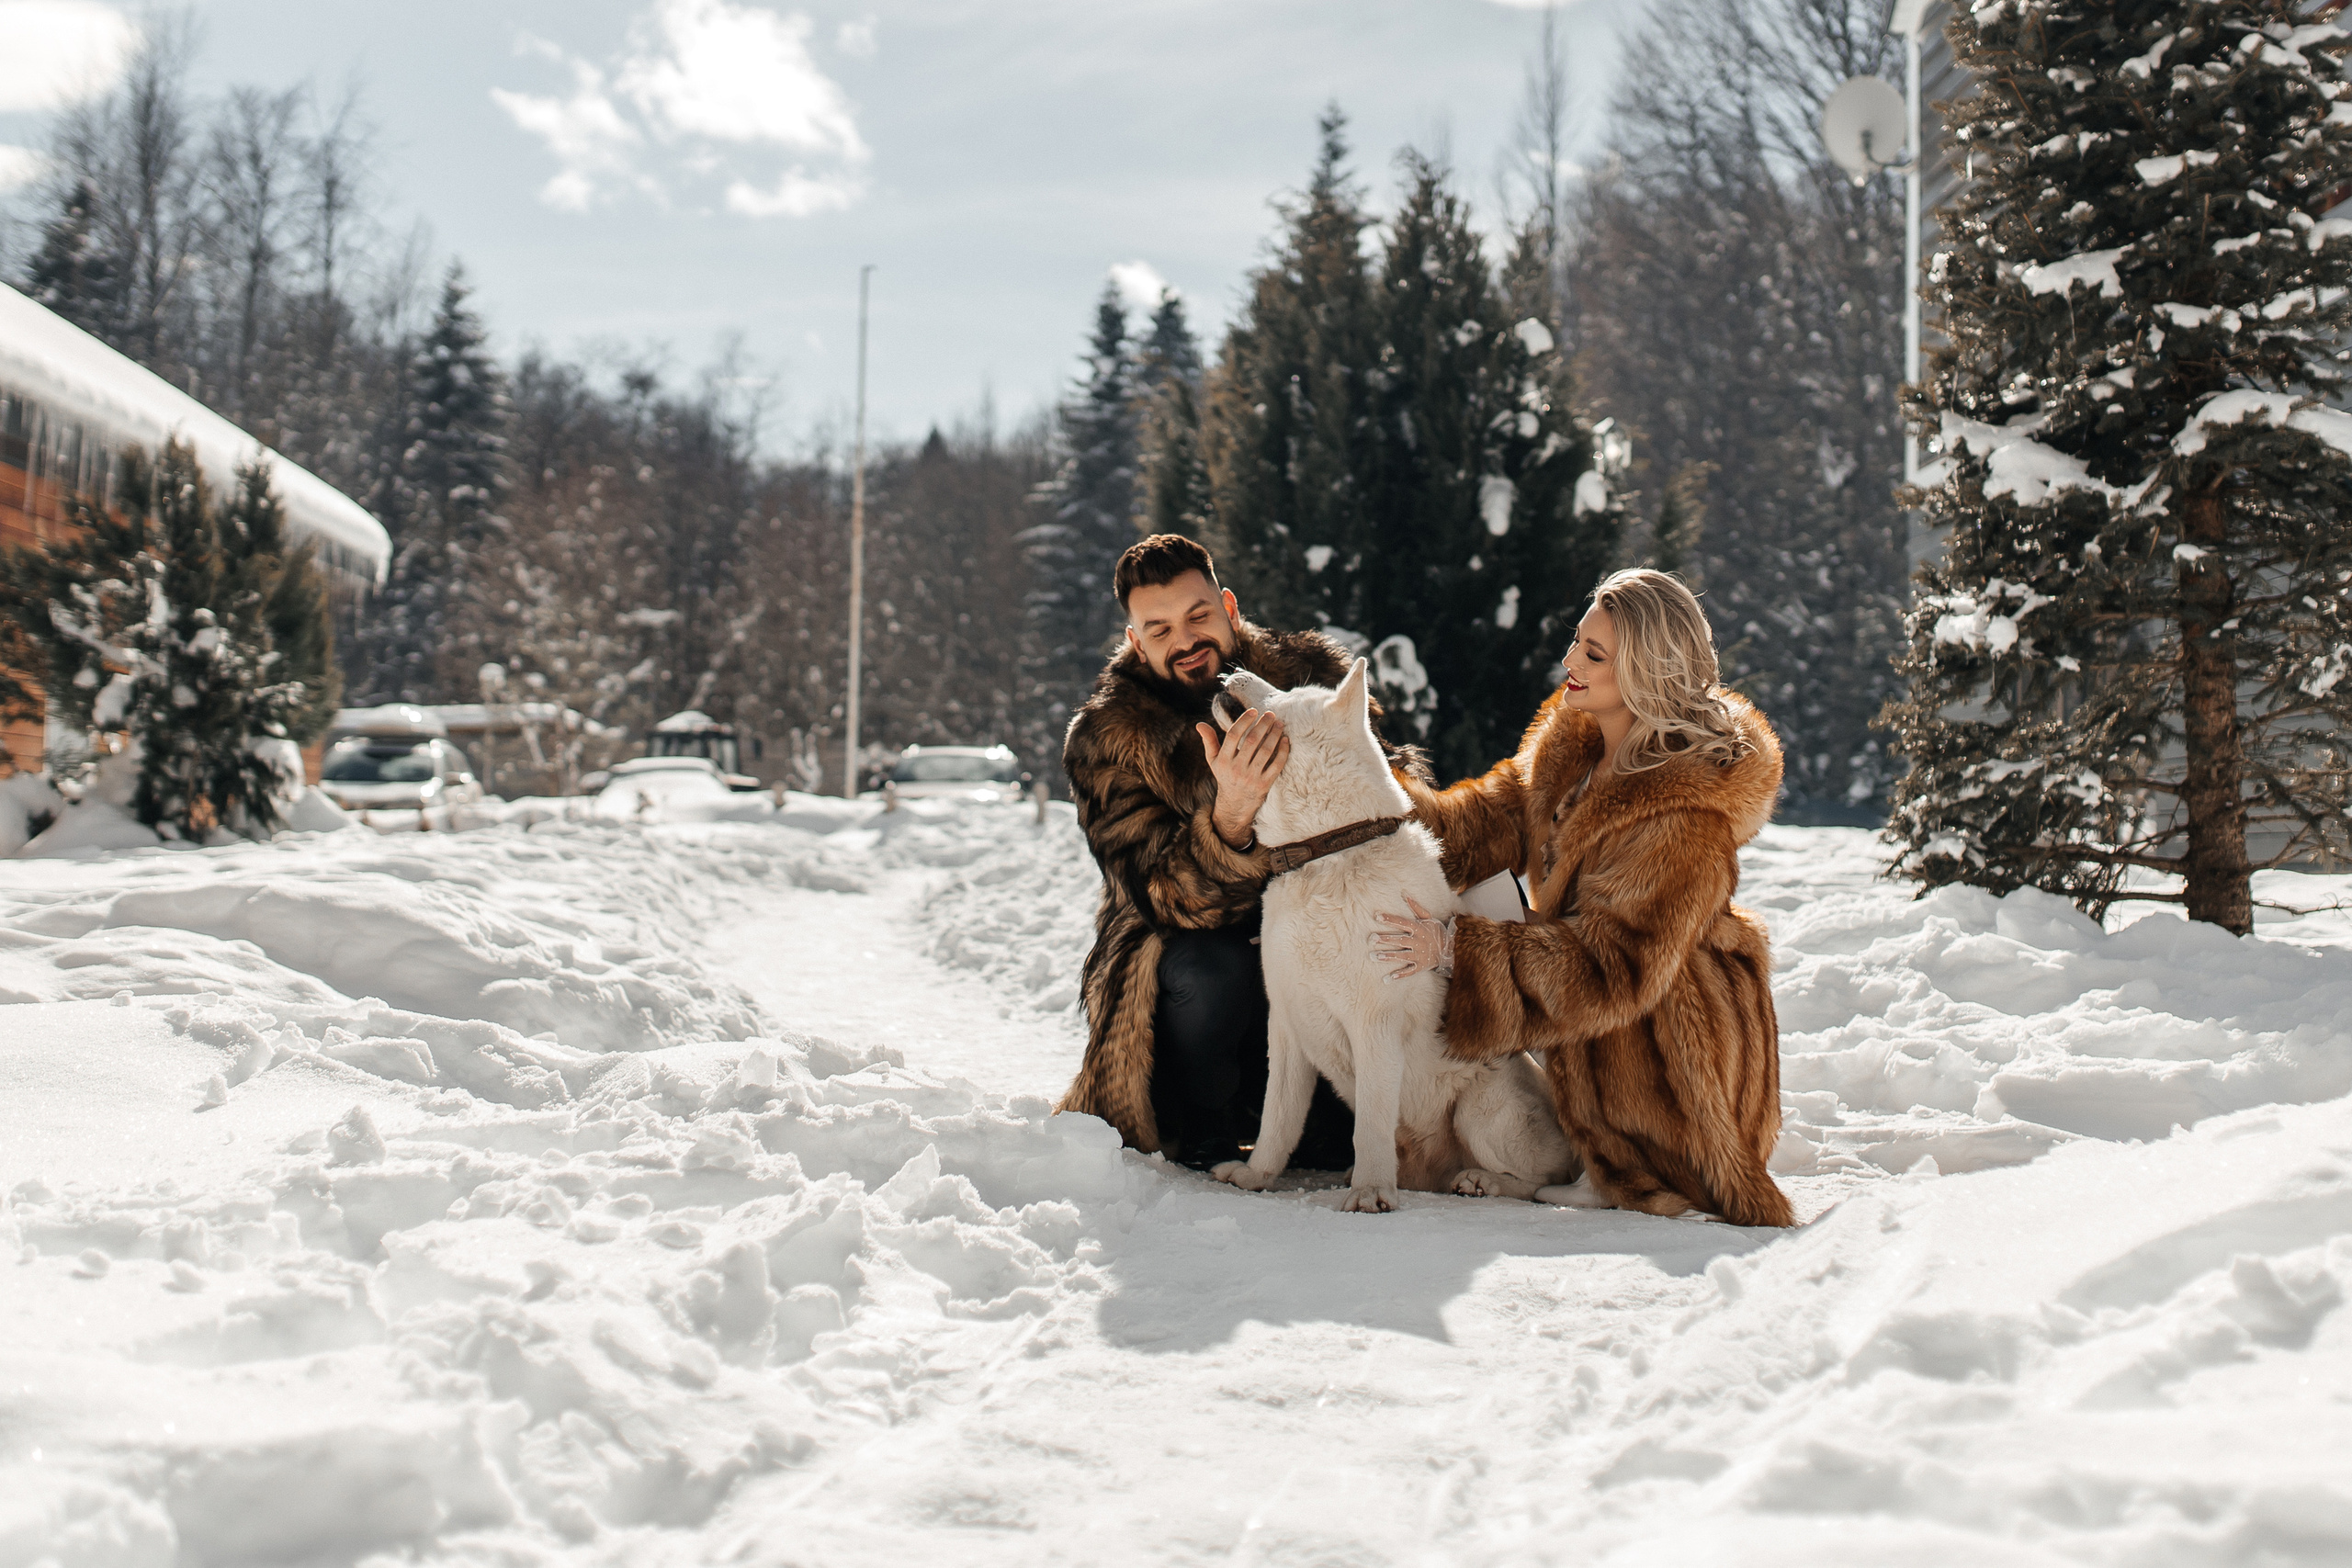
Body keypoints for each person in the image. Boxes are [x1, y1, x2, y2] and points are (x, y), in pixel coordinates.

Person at [1372, 568, 1794, 1227]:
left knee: (1476, 930)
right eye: (1577, 640)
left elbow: (1613, 969)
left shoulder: (1682, 815)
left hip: (1677, 1062)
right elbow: (1480, 824)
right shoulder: (1575, 747)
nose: (1570, 660)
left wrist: (1458, 949)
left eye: (1593, 654)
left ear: (1647, 674)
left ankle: (1619, 1155)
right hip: (1598, 991)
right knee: (1477, 886)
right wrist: (1363, 781)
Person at [1056, 534, 1365, 1169]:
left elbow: (1394, 790)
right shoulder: (1106, 737)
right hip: (1191, 973)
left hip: (1324, 941)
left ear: (1228, 606)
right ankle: (1203, 1124)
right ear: (1138, 641)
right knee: (1208, 967)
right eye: (1161, 627)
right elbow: (1165, 896)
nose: (1186, 638)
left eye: (1199, 616)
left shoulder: (1310, 677)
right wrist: (1229, 819)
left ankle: (1336, 1115)